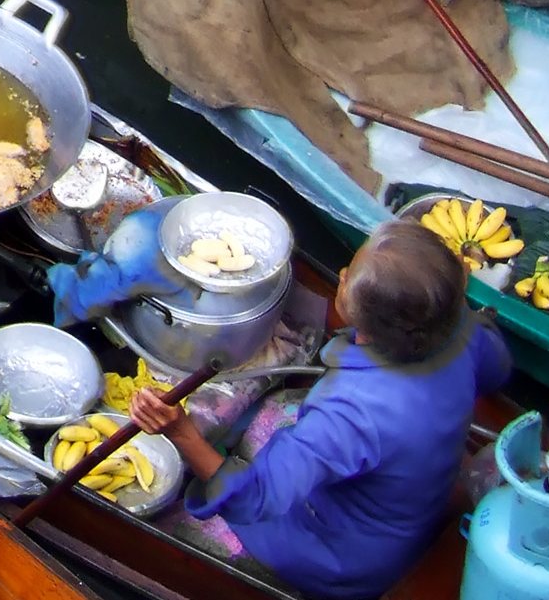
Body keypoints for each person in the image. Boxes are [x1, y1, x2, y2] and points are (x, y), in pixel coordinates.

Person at [130, 220, 511, 599]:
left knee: (172, 532)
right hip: (416, 505)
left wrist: (181, 431)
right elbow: (497, 370)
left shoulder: (350, 410)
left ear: (367, 321)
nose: (342, 274)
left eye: (347, 278)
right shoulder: (462, 327)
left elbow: (252, 498)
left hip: (347, 559)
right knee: (280, 413)